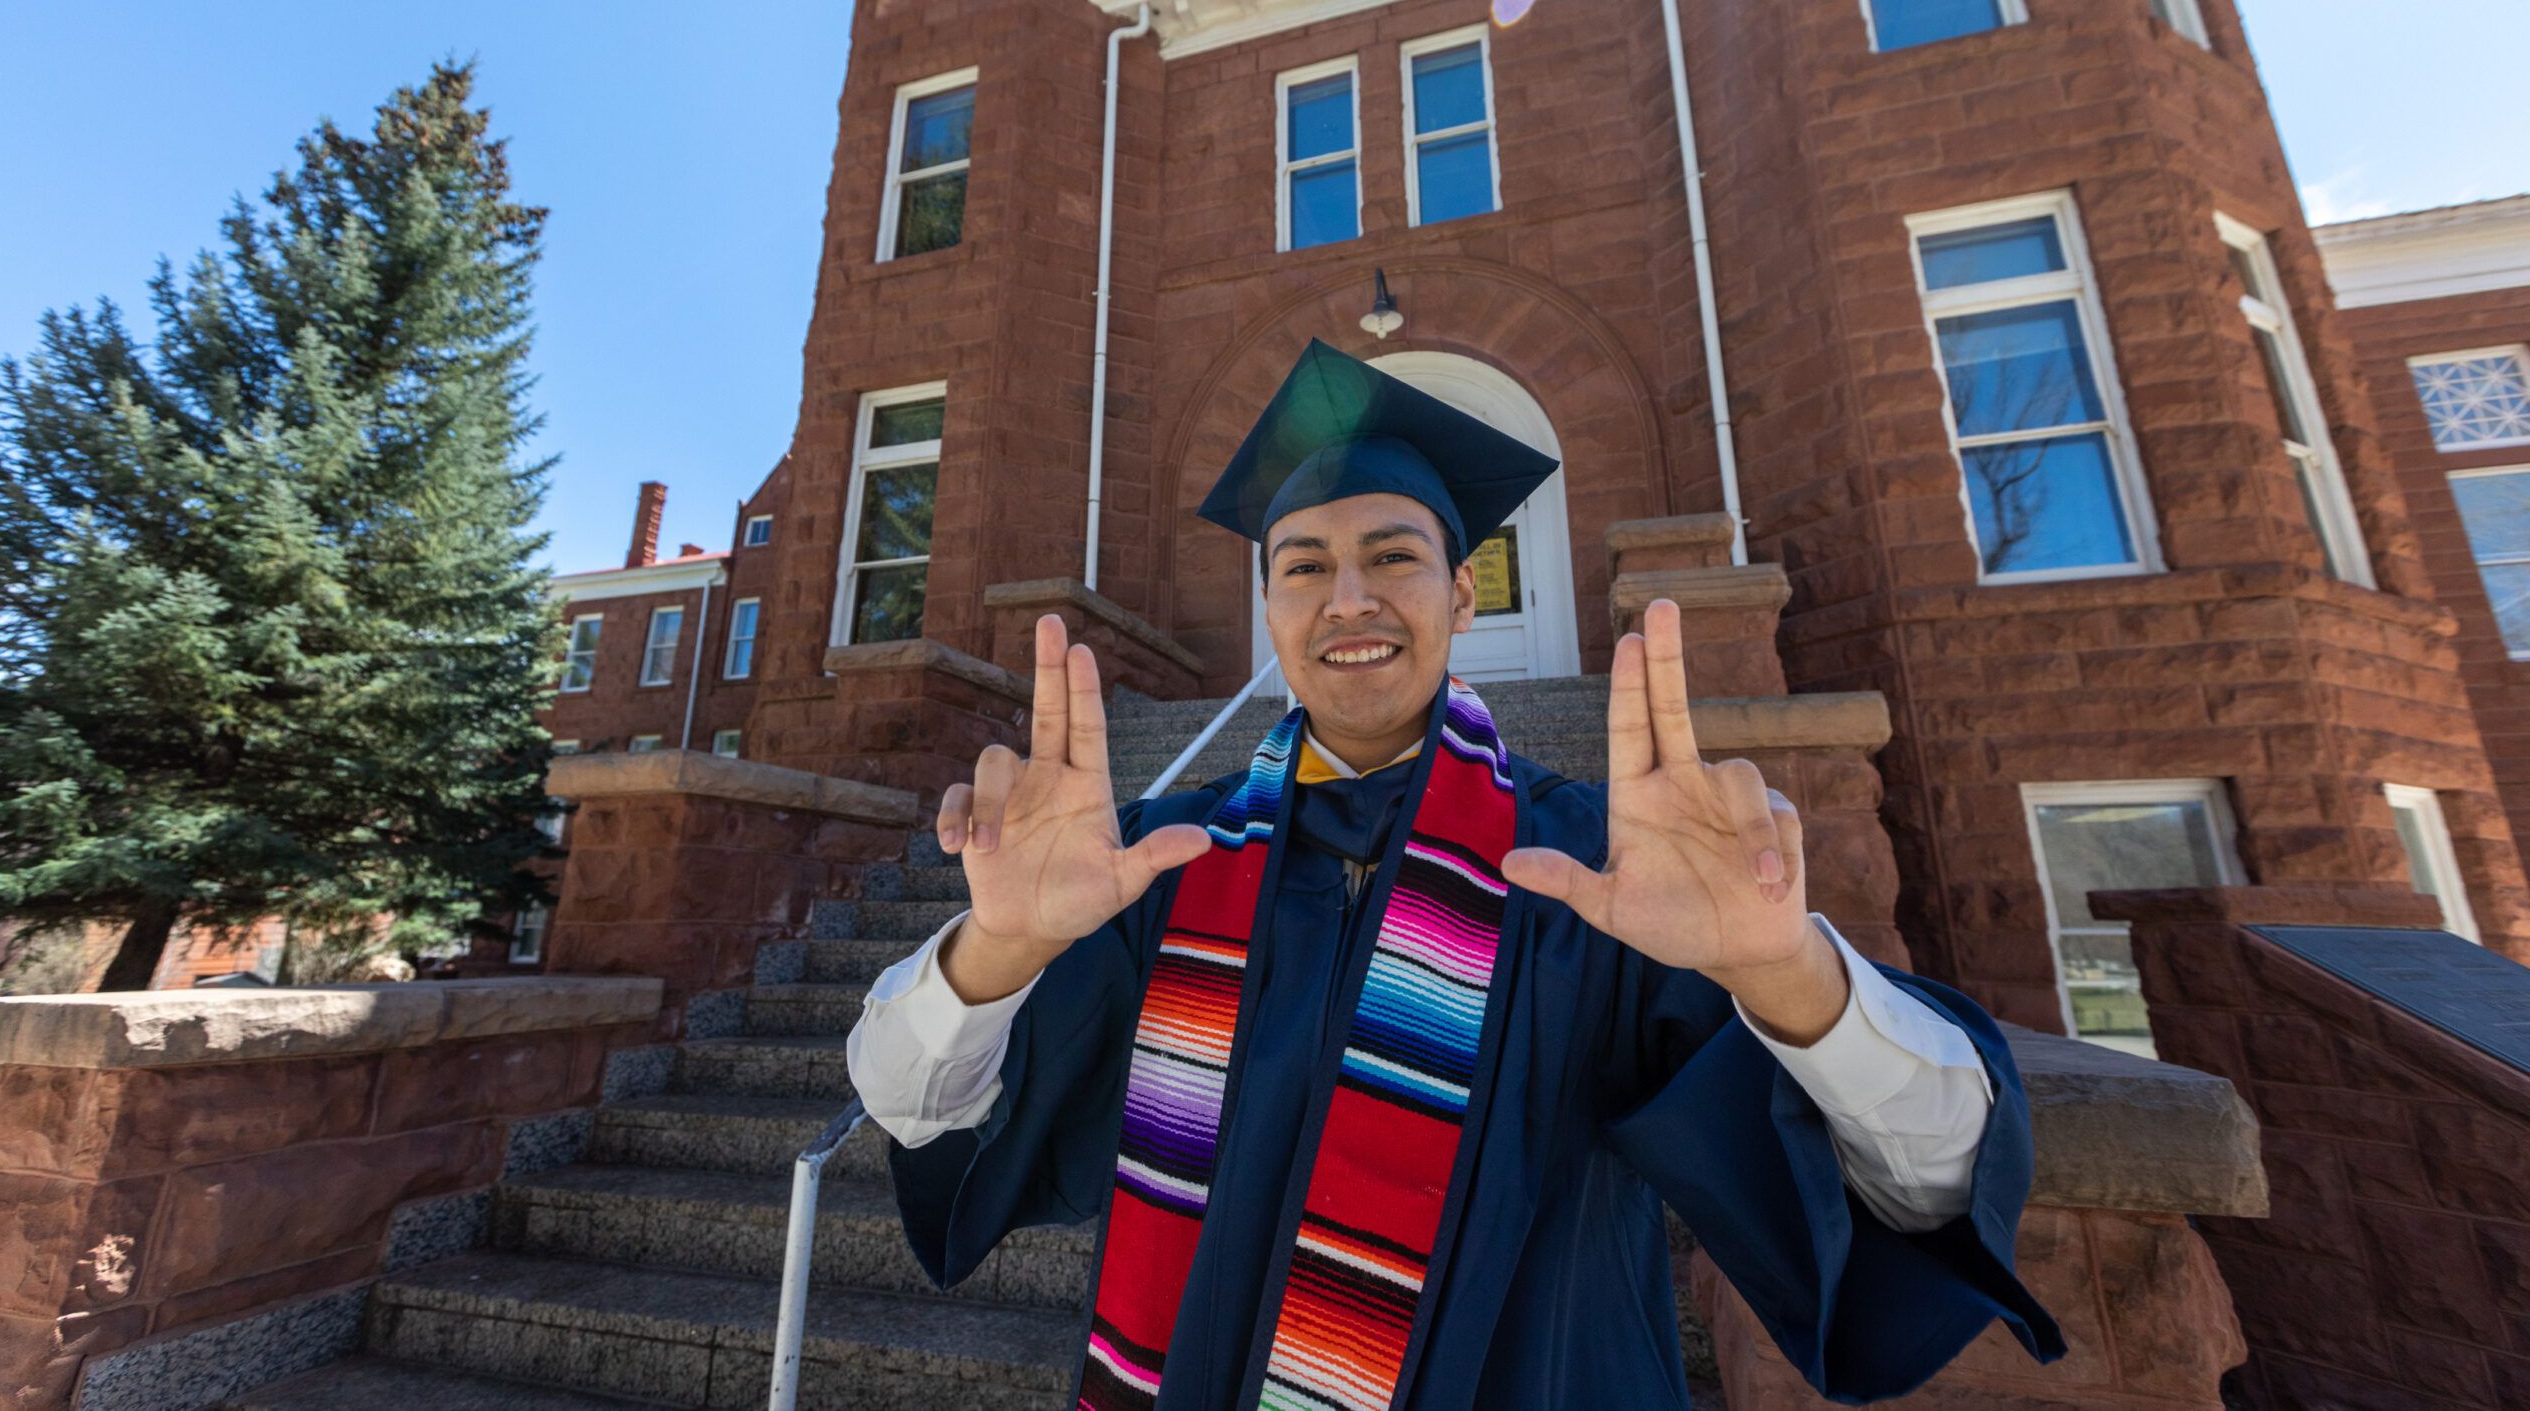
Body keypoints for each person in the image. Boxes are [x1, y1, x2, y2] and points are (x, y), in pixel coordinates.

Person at [847, 340, 2062, 1408]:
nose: (1349, 599)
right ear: (1268, 608)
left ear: (1464, 593)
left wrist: (1780, 969)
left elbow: (1928, 1181)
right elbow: (915, 1110)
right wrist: (1000, 949)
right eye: (1303, 566)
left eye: (1394, 556)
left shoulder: (1597, 872)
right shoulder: (1161, 863)